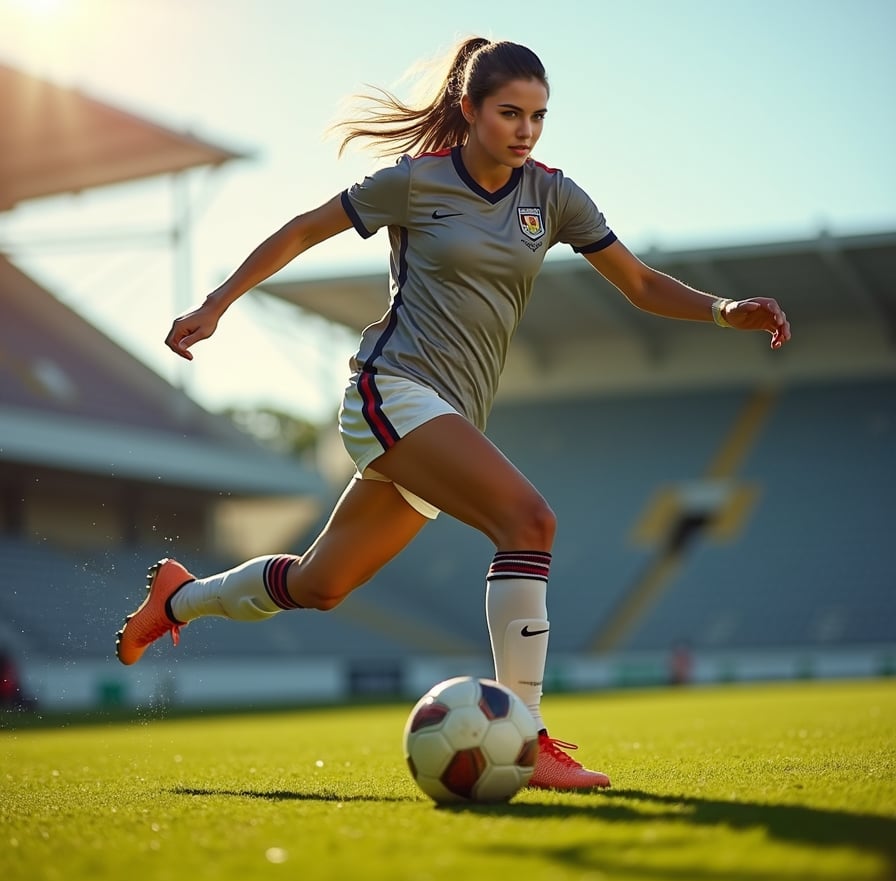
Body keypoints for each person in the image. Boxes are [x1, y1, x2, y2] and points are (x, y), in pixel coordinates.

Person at [115, 37, 790, 790]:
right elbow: (304, 229)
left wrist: (725, 310)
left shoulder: (555, 195)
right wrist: (216, 304)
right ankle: (529, 740)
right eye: (509, 113)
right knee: (529, 522)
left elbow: (636, 282)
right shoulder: (415, 182)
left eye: (538, 115)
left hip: (451, 415)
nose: (526, 129)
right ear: (469, 111)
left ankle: (178, 595)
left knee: (320, 585)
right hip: (391, 390)